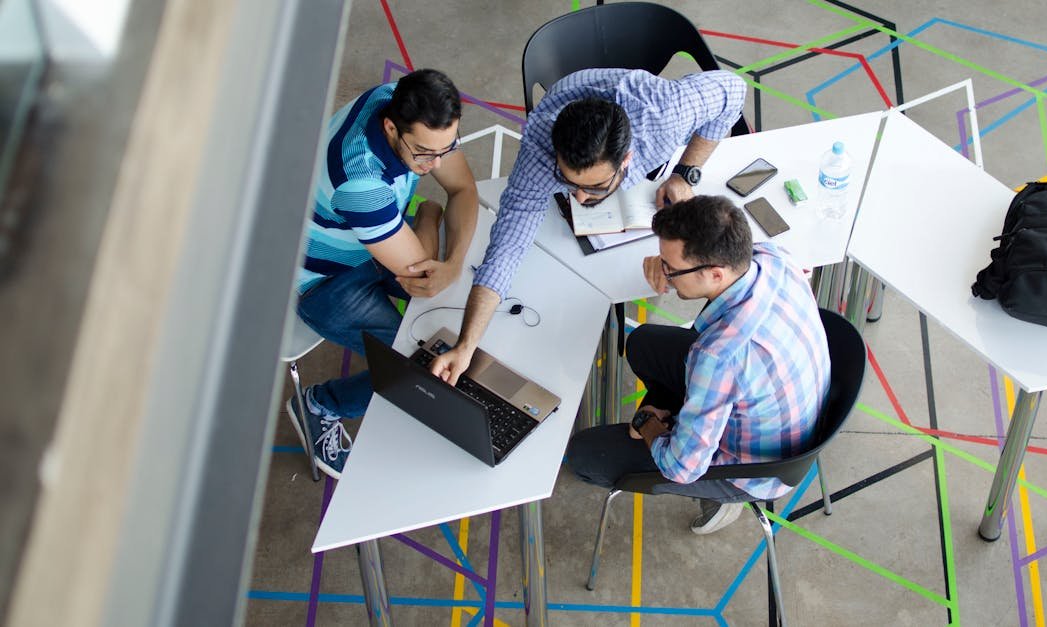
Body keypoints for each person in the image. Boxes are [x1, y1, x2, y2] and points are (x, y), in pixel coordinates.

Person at [428, 68, 747, 385]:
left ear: (627, 160)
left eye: (594, 187)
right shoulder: (540, 151)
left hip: (640, 104)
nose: (579, 198)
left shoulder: (664, 115)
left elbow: (734, 90)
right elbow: (505, 250)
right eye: (568, 182)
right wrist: (466, 345)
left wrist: (686, 171)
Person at [566, 195, 832, 534]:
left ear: (715, 274)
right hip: (788, 409)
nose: (664, 273)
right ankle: (683, 418)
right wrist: (665, 263)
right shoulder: (772, 258)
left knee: (585, 455)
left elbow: (681, 467)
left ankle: (721, 500)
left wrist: (648, 422)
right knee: (644, 343)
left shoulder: (718, 356)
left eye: (671, 269)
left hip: (753, 470)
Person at [287, 69, 478, 478]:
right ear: (391, 127)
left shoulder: (403, 100)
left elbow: (463, 189)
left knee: (455, 309)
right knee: (413, 364)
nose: (436, 164)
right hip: (324, 281)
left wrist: (454, 262)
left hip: (373, 240)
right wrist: (429, 214)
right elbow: (425, 278)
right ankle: (321, 404)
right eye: (425, 153)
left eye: (447, 149)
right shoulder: (361, 182)